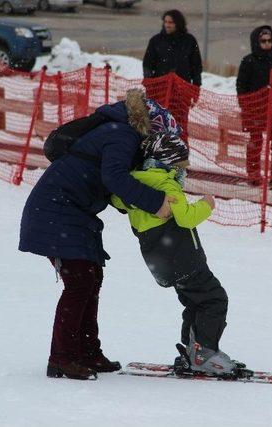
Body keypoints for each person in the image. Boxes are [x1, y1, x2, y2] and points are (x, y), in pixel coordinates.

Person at [19, 89, 175, 381]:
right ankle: (62, 358)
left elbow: (111, 183)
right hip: (57, 208)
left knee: (91, 277)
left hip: (71, 211)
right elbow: (114, 177)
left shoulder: (117, 131)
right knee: (80, 281)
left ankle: (88, 351)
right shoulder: (122, 134)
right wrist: (155, 203)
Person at [111, 132, 243, 376]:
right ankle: (204, 354)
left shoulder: (132, 183)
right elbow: (185, 217)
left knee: (194, 302)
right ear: (169, 162)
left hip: (160, 260)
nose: (182, 173)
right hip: (183, 257)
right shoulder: (166, 184)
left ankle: (192, 351)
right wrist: (206, 205)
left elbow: (117, 199)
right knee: (215, 299)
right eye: (180, 166)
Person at [236, 25, 272, 188]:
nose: (267, 44)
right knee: (256, 141)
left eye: (269, 41)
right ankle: (253, 173)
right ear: (256, 42)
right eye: (263, 41)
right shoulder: (248, 61)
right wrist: (245, 105)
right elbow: (241, 86)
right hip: (254, 108)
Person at [142, 9, 203, 143]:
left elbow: (196, 67)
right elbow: (147, 65)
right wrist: (150, 86)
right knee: (158, 125)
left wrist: (195, 89)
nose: (167, 25)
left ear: (178, 24)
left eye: (171, 22)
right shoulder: (156, 41)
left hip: (182, 93)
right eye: (165, 22)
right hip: (159, 92)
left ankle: (180, 158)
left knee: (179, 125)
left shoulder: (189, 41)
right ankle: (157, 155)